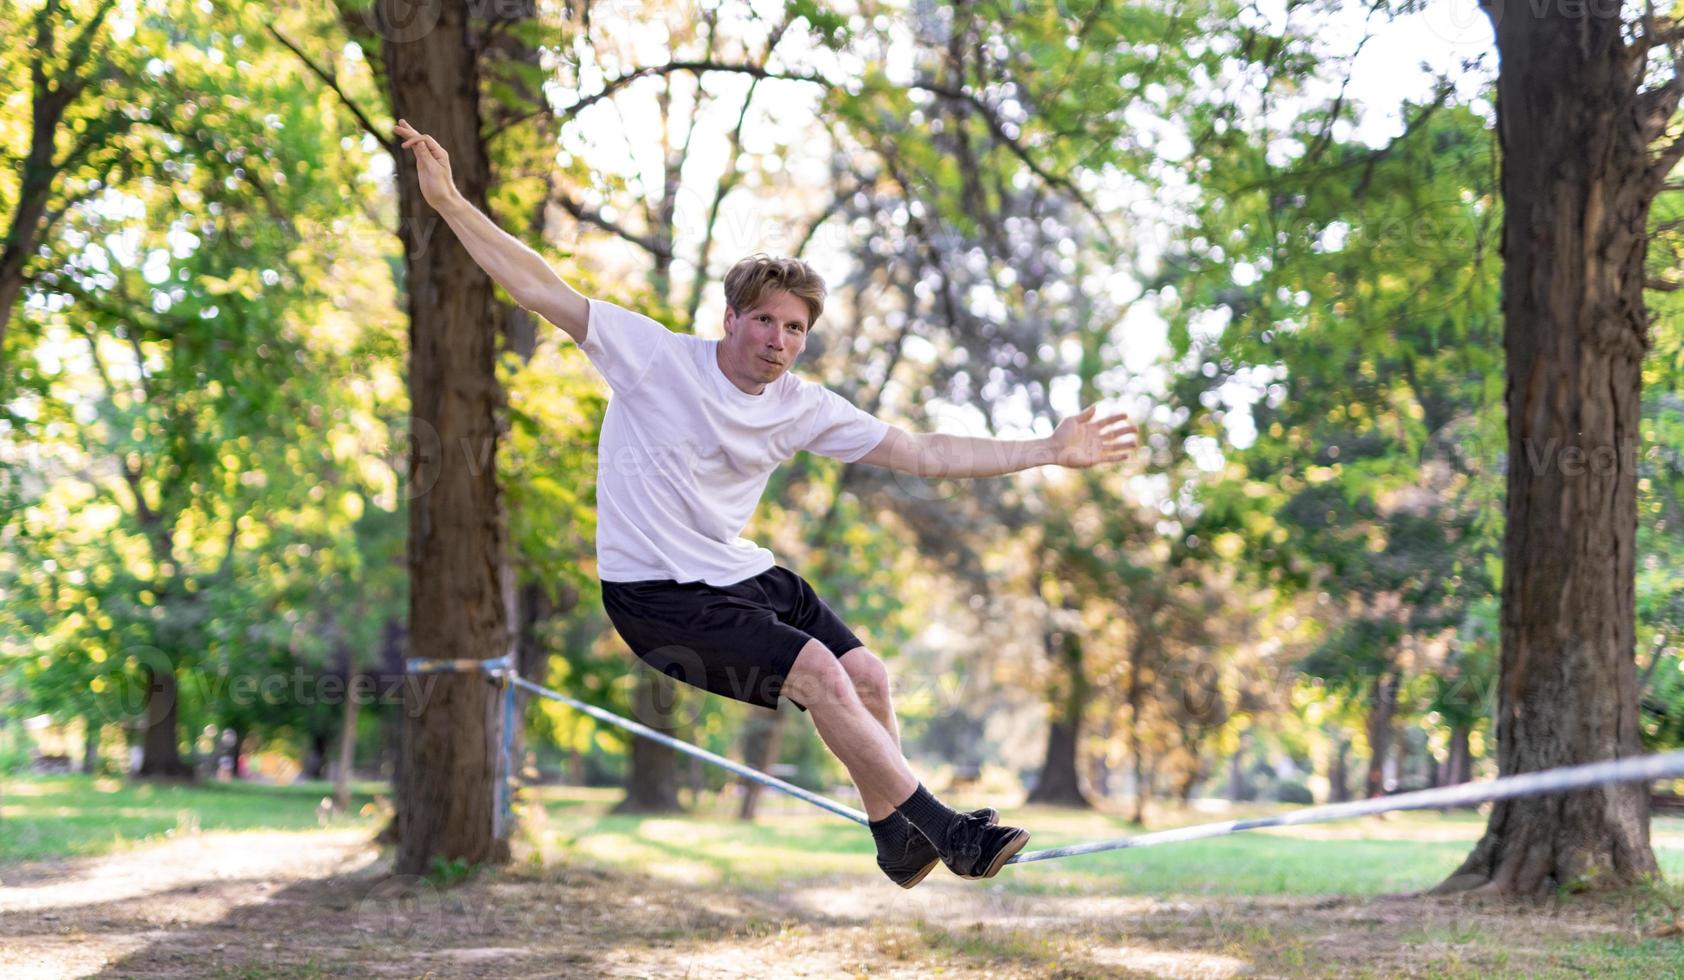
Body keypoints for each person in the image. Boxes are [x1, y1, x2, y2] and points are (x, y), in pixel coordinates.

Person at [395, 119, 1139, 886]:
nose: (778, 341)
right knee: (817, 670)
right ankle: (948, 831)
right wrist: (449, 201)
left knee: (871, 678)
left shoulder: (802, 406)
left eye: (794, 328)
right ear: (731, 320)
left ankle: (898, 839)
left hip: (741, 575)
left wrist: (1047, 450)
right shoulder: (654, 358)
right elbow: (539, 284)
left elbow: (922, 452)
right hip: (657, 595)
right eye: (764, 321)